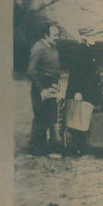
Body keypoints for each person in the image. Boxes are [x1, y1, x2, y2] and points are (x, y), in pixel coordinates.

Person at [64, 28, 103, 154]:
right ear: (84, 36)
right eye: (91, 35)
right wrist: (77, 91)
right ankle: (78, 146)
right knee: (79, 116)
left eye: (95, 34)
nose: (94, 37)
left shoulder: (92, 50)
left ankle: (84, 144)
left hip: (90, 90)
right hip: (81, 90)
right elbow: (76, 72)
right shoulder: (80, 51)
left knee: (86, 115)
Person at [27, 23, 62, 157]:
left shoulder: (53, 48)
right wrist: (41, 89)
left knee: (52, 117)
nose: (57, 37)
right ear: (46, 35)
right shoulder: (38, 48)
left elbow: (55, 68)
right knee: (41, 117)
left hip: (52, 86)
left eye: (58, 35)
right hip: (41, 86)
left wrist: (57, 84)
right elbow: (30, 71)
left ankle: (50, 147)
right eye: (54, 35)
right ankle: (36, 149)